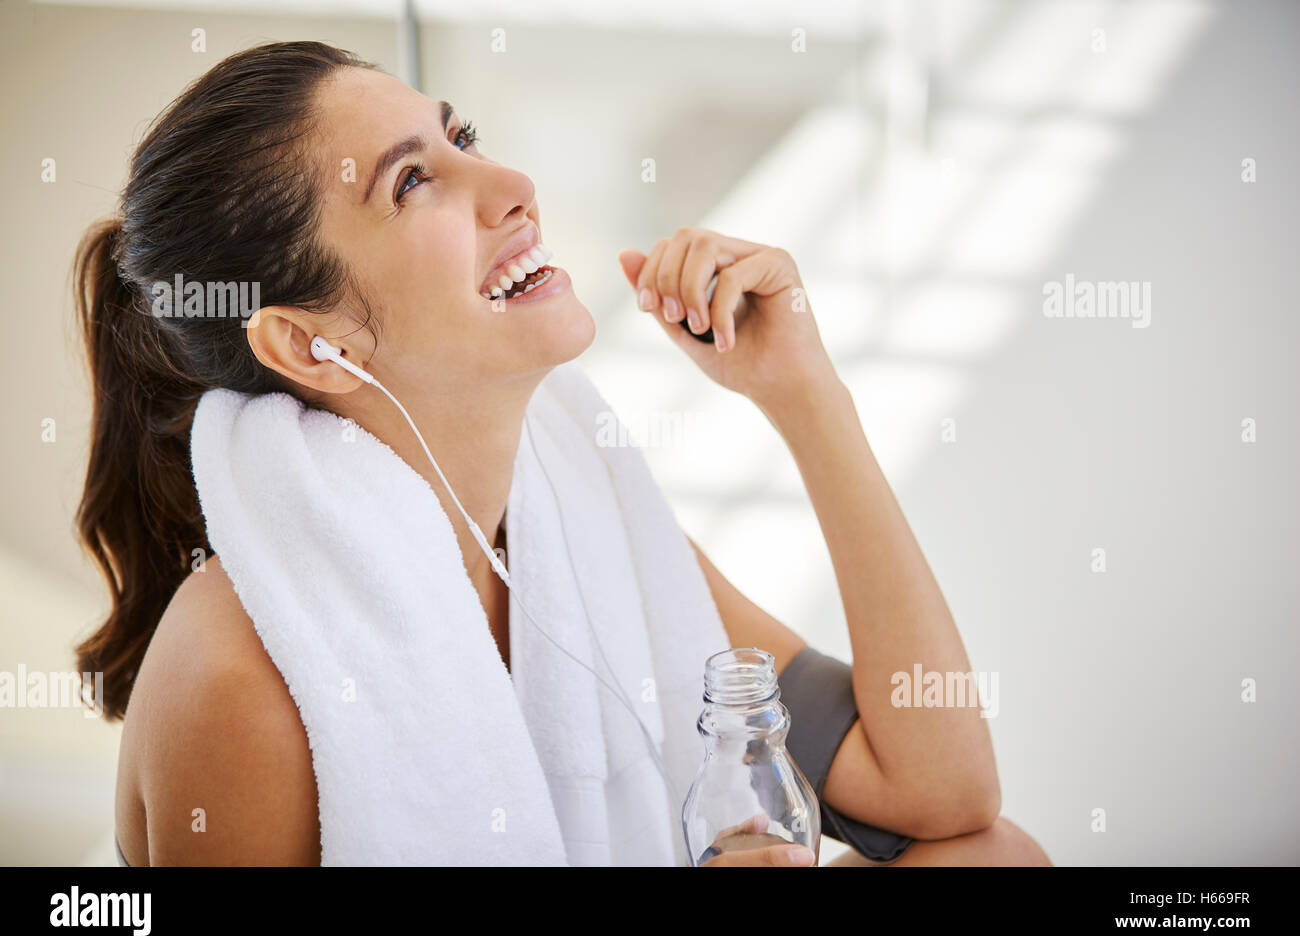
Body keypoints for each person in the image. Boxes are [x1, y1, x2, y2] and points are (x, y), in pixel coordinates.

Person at [73, 41, 1048, 867]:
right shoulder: (236, 685)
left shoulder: (573, 503)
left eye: (460, 139)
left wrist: (804, 392)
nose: (509, 187)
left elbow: (940, 792)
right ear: (305, 344)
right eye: (412, 181)